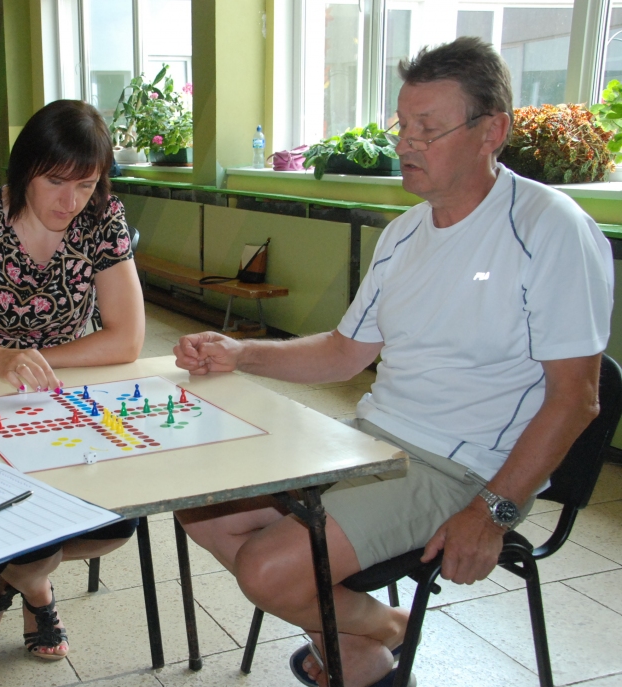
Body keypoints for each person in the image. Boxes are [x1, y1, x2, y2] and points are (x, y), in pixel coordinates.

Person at [172, 37, 612, 687]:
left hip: (462, 465)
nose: (406, 142)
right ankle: (366, 647)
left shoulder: (550, 230)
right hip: (370, 440)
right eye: (402, 125)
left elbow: (576, 397)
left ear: (493, 130)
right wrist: (242, 352)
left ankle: (380, 629)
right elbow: (347, 352)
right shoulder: (404, 233)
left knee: (269, 569)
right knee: (202, 507)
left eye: (427, 128)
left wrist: (494, 509)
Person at [0, 99, 145, 660]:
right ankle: (35, 588)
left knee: (119, 524)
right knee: (12, 511)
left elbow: (127, 340)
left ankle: (3, 576)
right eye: (55, 181)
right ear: (24, 171)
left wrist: (37, 360)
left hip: (53, 399)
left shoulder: (102, 218)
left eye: (86, 185)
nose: (71, 202)